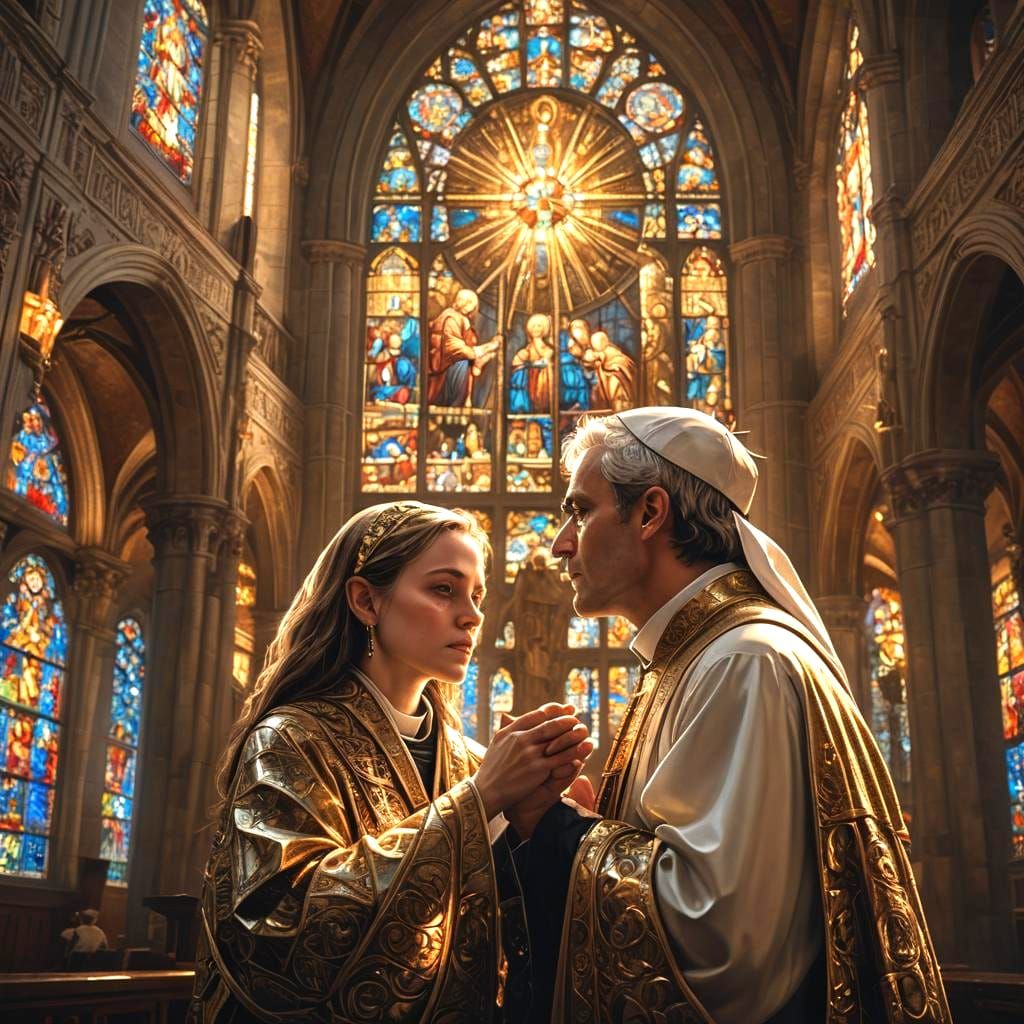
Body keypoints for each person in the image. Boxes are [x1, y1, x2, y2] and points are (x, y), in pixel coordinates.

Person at [503, 408, 951, 1023]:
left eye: (580, 510)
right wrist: (587, 819)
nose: (560, 543)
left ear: (650, 513)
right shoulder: (692, 658)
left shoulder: (743, 663)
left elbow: (717, 944)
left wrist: (554, 828)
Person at [189, 501, 593, 1022]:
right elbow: (275, 935)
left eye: (476, 595)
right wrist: (479, 801)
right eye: (443, 589)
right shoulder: (290, 738)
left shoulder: (472, 760)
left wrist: (540, 831)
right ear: (366, 601)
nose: (471, 615)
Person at [427, 288, 501, 408]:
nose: (467, 304)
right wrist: (485, 349)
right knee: (461, 365)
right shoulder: (450, 317)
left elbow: (469, 347)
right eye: (464, 300)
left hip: (463, 365)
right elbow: (453, 347)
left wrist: (488, 350)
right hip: (447, 369)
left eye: (471, 302)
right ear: (457, 301)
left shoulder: (462, 319)